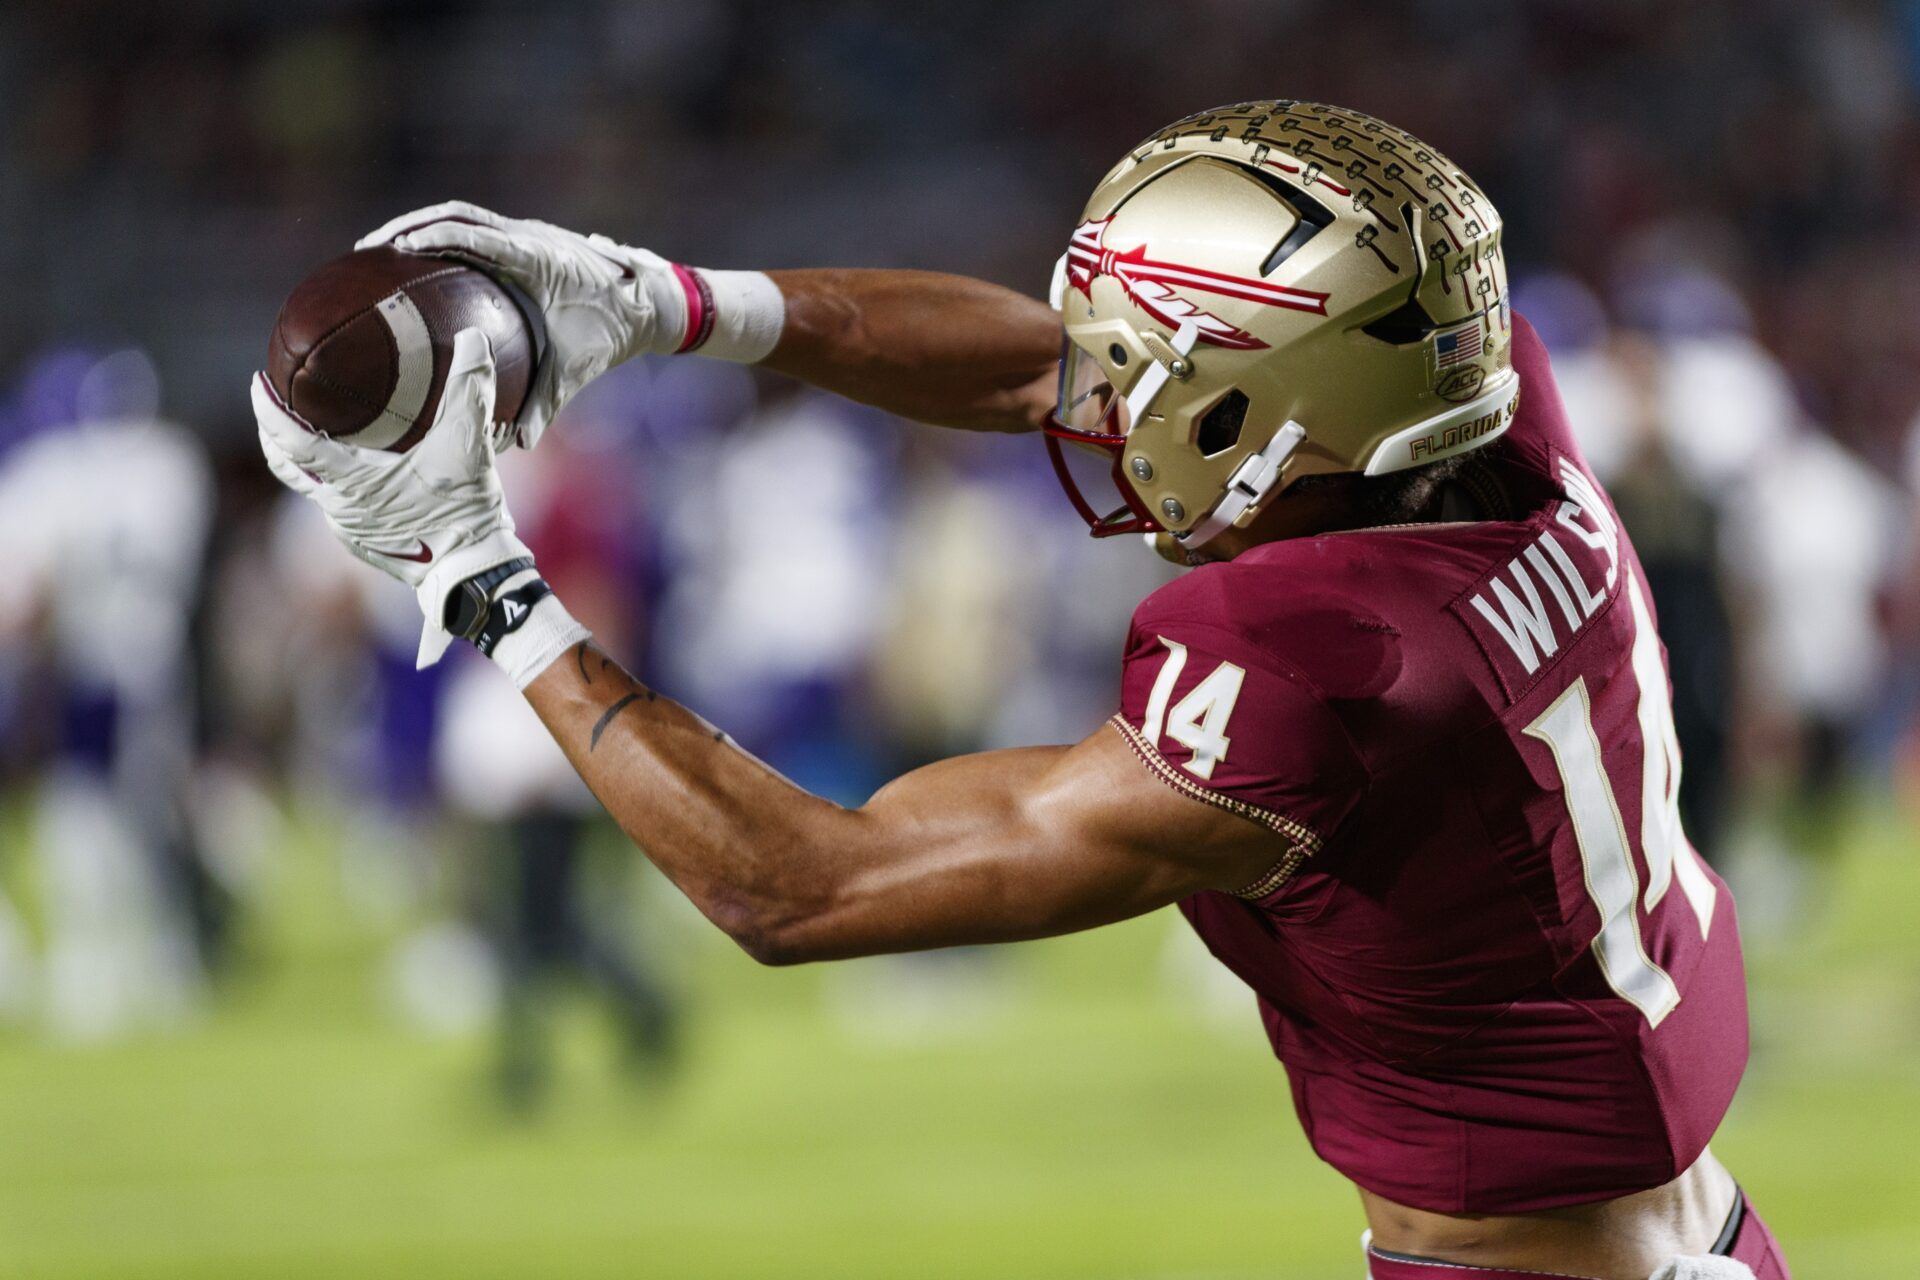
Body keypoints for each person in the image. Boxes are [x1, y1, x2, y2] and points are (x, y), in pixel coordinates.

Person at [253, 102, 1786, 1280]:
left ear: (1274, 399)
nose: (1107, 394)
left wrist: (470, 569)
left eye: (1153, 365)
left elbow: (802, 891)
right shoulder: (1489, 425)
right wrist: (662, 301)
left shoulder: (1328, 668)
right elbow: (1040, 372)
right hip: (1711, 1235)